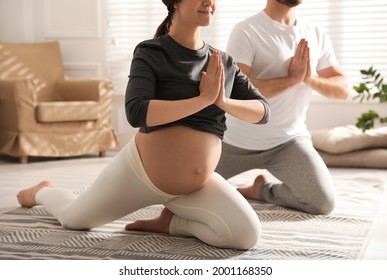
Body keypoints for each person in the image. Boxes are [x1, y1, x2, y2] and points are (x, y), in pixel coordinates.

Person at [16, 0, 270, 250]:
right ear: (175, 3)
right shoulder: (152, 52)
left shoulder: (222, 62)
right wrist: (202, 100)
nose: (209, 2)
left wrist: (222, 101)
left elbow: (263, 112)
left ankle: (173, 223)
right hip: (139, 175)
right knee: (74, 219)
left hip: (195, 186)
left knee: (245, 236)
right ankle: (42, 192)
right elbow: (136, 112)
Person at [215, 0, 349, 215]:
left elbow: (342, 89)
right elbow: (238, 90)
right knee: (184, 192)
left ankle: (262, 190)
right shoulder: (247, 30)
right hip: (235, 142)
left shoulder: (315, 33)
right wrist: (292, 79)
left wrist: (310, 79)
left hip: (288, 142)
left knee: (322, 203)